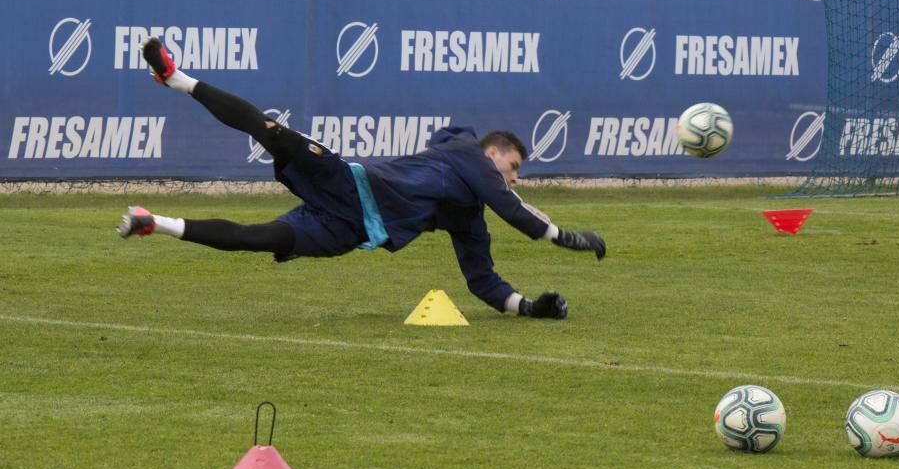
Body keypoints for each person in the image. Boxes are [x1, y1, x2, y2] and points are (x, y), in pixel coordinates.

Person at [117, 38, 606, 319]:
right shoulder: (467, 152)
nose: (514, 179)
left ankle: (152, 223)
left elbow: (483, 281)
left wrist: (529, 308)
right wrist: (566, 238)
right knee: (273, 133)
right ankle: (176, 79)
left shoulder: (468, 213)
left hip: (348, 230)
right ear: (492, 153)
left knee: (258, 238)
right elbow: (515, 212)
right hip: (348, 184)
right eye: (514, 166)